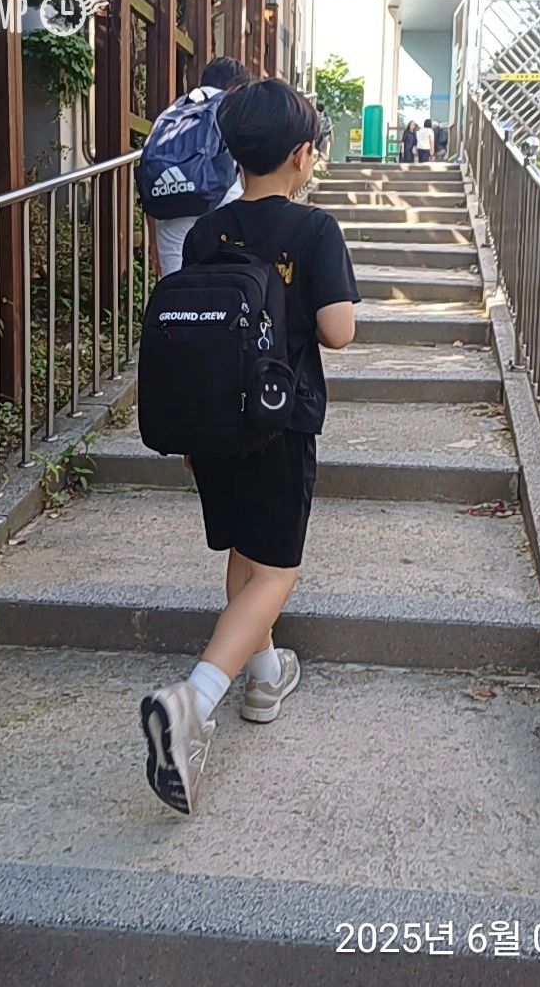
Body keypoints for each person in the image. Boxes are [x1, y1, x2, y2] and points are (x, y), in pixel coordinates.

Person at [140, 79, 361, 817]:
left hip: (213, 425)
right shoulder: (314, 229)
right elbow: (338, 331)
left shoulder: (206, 231)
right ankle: (192, 702)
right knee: (277, 571)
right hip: (280, 424)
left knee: (246, 551)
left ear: (233, 153)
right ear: (302, 156)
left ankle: (264, 675)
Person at [151, 57, 251, 277]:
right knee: (224, 287)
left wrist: (153, 241)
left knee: (175, 289)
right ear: (237, 88)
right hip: (220, 206)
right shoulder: (230, 108)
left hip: (169, 210)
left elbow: (152, 174)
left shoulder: (172, 112)